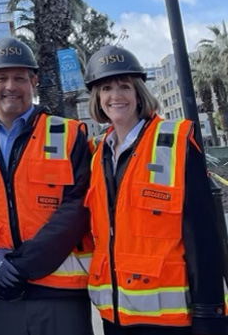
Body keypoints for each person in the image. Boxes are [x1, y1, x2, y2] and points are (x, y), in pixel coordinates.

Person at [82, 45, 228, 335]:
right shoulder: (99, 153)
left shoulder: (174, 143)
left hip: (172, 319)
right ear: (97, 98)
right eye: (106, 88)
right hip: (117, 316)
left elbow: (202, 234)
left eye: (124, 86)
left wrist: (209, 313)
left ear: (139, 93)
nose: (115, 96)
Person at [0, 37, 94, 335]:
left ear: (34, 82)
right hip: (1, 295)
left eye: (20, 78)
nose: (10, 86)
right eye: (1, 78)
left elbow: (78, 205)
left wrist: (24, 265)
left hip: (61, 294)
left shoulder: (68, 134)